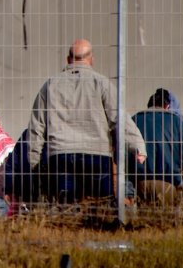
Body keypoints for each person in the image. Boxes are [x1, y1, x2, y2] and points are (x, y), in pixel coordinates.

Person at [27, 39, 147, 203]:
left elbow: (36, 127)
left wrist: (34, 162)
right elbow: (119, 119)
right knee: (99, 207)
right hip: (97, 156)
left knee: (66, 209)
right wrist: (138, 146)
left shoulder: (50, 85)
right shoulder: (102, 83)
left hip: (61, 155)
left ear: (68, 59)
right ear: (91, 59)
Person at [130, 88, 183, 205]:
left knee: (143, 218)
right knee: (167, 219)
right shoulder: (178, 123)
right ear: (168, 106)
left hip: (138, 184)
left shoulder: (134, 121)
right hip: (169, 185)